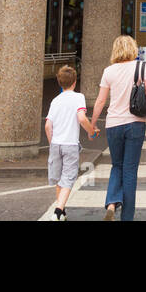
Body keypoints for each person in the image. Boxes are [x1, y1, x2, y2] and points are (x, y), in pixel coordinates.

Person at [90, 35, 146, 221]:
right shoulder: (141, 67)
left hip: (113, 124)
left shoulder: (108, 71)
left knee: (116, 166)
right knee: (130, 170)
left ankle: (112, 202)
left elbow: (100, 100)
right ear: (133, 49)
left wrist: (92, 123)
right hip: (135, 123)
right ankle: (127, 217)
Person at [44, 64, 97, 221]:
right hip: (70, 144)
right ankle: (58, 211)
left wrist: (52, 143)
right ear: (75, 82)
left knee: (59, 179)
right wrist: (91, 130)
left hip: (55, 144)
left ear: (59, 82)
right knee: (68, 179)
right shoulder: (78, 97)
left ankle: (63, 212)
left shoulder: (55, 101)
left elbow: (48, 125)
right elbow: (81, 118)